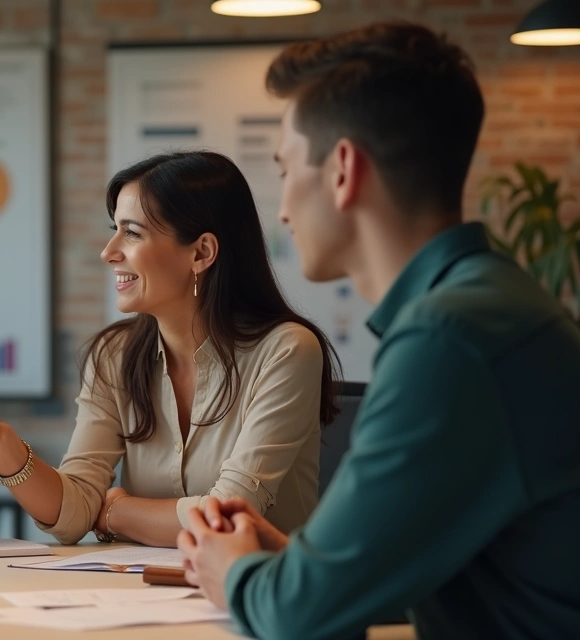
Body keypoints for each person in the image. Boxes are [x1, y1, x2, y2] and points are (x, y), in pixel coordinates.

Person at [176, 21, 580, 640]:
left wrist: (233, 574)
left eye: (285, 171)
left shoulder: (450, 338)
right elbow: (408, 578)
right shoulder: (485, 306)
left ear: (342, 170)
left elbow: (298, 619)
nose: (281, 208)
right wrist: (294, 564)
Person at [0, 150, 340, 547]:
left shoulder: (287, 350)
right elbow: (71, 515)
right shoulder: (114, 356)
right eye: (114, 229)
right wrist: (2, 444)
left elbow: (228, 516)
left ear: (201, 252)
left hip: (254, 599)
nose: (109, 252)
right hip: (143, 598)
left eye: (133, 233)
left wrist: (115, 512)